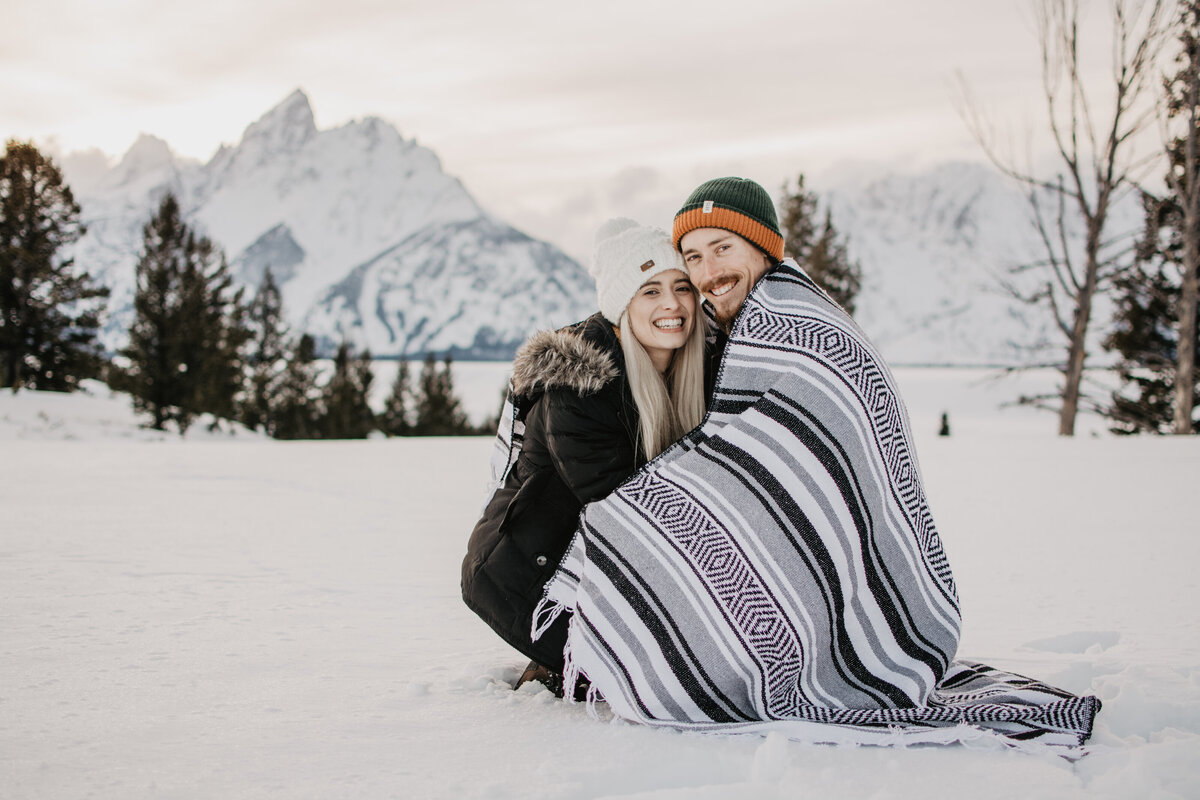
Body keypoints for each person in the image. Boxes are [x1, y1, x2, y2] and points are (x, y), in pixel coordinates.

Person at [532, 178, 1100, 750]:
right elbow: (692, 476)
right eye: (694, 258)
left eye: (721, 250)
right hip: (522, 574)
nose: (703, 277)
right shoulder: (714, 337)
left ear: (763, 247)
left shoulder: (786, 325)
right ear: (622, 304)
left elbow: (784, 461)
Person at [461, 218, 709, 695]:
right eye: (650, 291)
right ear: (622, 306)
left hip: (582, 561)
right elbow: (622, 510)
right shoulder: (580, 387)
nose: (673, 305)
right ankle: (556, 660)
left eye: (682, 287)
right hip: (529, 582)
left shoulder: (693, 369)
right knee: (672, 676)